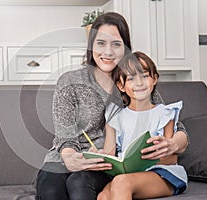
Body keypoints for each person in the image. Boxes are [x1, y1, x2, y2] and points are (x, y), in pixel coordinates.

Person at [36, 12, 189, 200]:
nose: (108, 52)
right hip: (64, 160)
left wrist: (174, 144)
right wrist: (69, 157)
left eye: (116, 44)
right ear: (91, 46)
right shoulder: (69, 82)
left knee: (80, 184)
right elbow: (65, 137)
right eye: (101, 43)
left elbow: (173, 125)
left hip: (105, 166)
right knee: (51, 191)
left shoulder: (135, 84)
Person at [97, 51, 188, 200]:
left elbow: (171, 158)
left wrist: (142, 162)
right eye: (131, 78)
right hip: (129, 176)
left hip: (163, 174)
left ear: (154, 79)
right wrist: (100, 156)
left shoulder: (165, 113)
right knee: (103, 196)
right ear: (121, 85)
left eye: (145, 76)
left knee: (121, 182)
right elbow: (110, 155)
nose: (139, 83)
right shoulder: (115, 117)